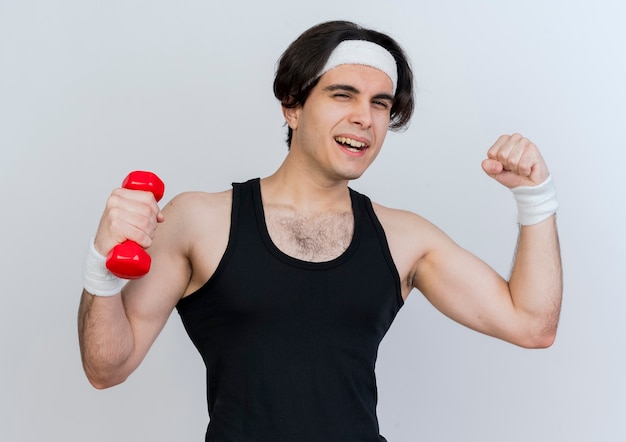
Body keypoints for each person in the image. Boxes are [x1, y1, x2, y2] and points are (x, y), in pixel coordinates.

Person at [78, 20, 562, 442]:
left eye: (379, 103)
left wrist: (535, 196)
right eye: (342, 94)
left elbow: (531, 325)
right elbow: (106, 368)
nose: (364, 117)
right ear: (292, 106)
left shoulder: (405, 238)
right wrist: (103, 263)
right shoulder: (199, 221)